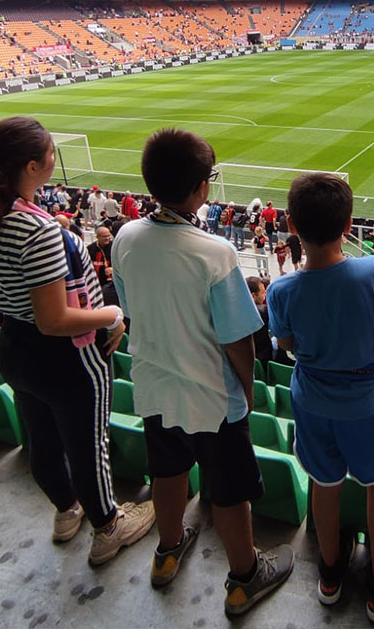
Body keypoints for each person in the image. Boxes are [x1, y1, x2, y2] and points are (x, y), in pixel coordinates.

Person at [0, 117, 154, 566]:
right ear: (31, 166)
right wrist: (112, 313)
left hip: (14, 347)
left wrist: (15, 293)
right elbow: (54, 319)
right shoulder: (39, 230)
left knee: (41, 440)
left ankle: (66, 511)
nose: (53, 157)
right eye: (49, 151)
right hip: (66, 357)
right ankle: (108, 527)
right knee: (88, 446)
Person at [111, 128, 292, 612]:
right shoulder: (216, 252)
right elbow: (238, 340)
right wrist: (247, 391)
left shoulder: (125, 236)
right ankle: (245, 576)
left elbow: (129, 309)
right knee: (230, 492)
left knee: (167, 472)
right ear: (201, 188)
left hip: (153, 385)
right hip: (213, 396)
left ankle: (168, 551)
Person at [266, 173, 374, 624]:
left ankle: (330, 575)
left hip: (311, 399)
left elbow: (286, 344)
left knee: (324, 485)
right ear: (349, 223)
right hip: (366, 402)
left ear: (291, 223)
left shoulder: (281, 290)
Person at [247, 276, 274, 364]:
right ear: (253, 295)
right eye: (262, 292)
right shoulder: (264, 311)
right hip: (264, 358)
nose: (265, 294)